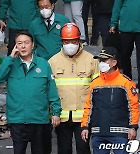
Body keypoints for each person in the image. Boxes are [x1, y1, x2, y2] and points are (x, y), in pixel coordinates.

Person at [0, 31, 61, 154]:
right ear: (15, 46)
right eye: (19, 43)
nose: (23, 46)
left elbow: (51, 90)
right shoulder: (11, 64)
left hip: (39, 119)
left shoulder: (43, 64)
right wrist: (10, 58)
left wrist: (56, 112)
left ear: (32, 45)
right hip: (17, 119)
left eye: (26, 43)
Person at [49, 23, 99, 154]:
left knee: (83, 149)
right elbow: (48, 90)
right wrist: (52, 113)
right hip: (62, 116)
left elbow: (98, 89)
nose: (70, 44)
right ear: (62, 42)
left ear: (79, 40)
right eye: (66, 41)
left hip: (83, 117)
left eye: (73, 41)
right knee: (64, 150)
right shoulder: (53, 62)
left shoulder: (91, 60)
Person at [81, 47, 139, 154]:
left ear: (114, 62)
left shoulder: (126, 82)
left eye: (104, 60)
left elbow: (133, 106)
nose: (101, 63)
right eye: (100, 60)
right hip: (98, 132)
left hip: (120, 133)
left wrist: (133, 127)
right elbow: (89, 106)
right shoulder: (94, 83)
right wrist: (85, 126)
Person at [110, 0, 140, 90]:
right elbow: (117, 6)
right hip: (126, 28)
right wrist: (113, 23)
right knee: (124, 56)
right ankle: (127, 80)